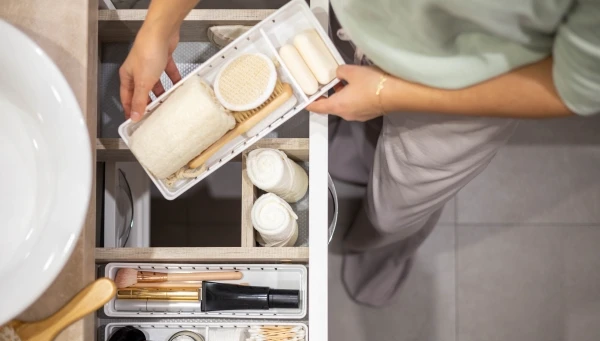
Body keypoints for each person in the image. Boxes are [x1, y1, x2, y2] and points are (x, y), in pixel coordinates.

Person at [120, 0, 600, 307]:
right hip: (341, 20)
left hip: (466, 92)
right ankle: (362, 145)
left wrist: (388, 93)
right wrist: (163, 18)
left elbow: (573, 86)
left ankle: (381, 245)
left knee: (399, 204)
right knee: (344, 123)